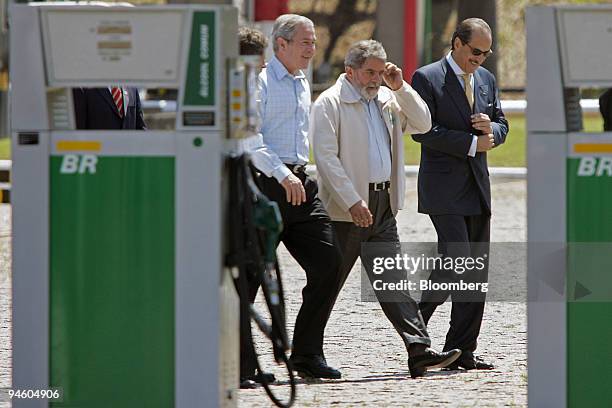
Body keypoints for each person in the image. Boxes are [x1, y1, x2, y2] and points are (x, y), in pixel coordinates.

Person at [309, 39, 461, 378]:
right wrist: (351, 200)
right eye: (370, 72)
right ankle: (307, 353)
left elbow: (422, 123)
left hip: (382, 204)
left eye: (381, 71)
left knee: (394, 281)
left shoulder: (387, 99)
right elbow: (326, 159)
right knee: (327, 283)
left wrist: (400, 86)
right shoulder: (330, 104)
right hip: (346, 208)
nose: (377, 78)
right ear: (350, 70)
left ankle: (418, 350)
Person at [411, 18, 509, 370]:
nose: (480, 59)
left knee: (474, 270)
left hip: (477, 187)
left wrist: (492, 131)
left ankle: (462, 351)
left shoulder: (486, 79)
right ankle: (413, 331)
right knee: (457, 261)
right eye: (475, 52)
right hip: (443, 188)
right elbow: (422, 132)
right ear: (457, 43)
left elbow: (502, 122)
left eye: (486, 53)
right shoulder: (426, 77)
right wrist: (471, 143)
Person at [250, 14, 343, 379]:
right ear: (281, 45)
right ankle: (243, 363)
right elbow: (249, 138)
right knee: (251, 277)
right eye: (305, 42)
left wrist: (304, 173)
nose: (312, 49)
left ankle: (305, 355)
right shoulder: (260, 83)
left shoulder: (303, 81)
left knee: (329, 265)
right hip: (266, 184)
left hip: (301, 185)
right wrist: (281, 172)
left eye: (314, 42)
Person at [73, 87, 146, 130]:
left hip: (129, 154)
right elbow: (79, 131)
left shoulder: (131, 87)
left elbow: (140, 128)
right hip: (99, 154)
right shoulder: (83, 88)